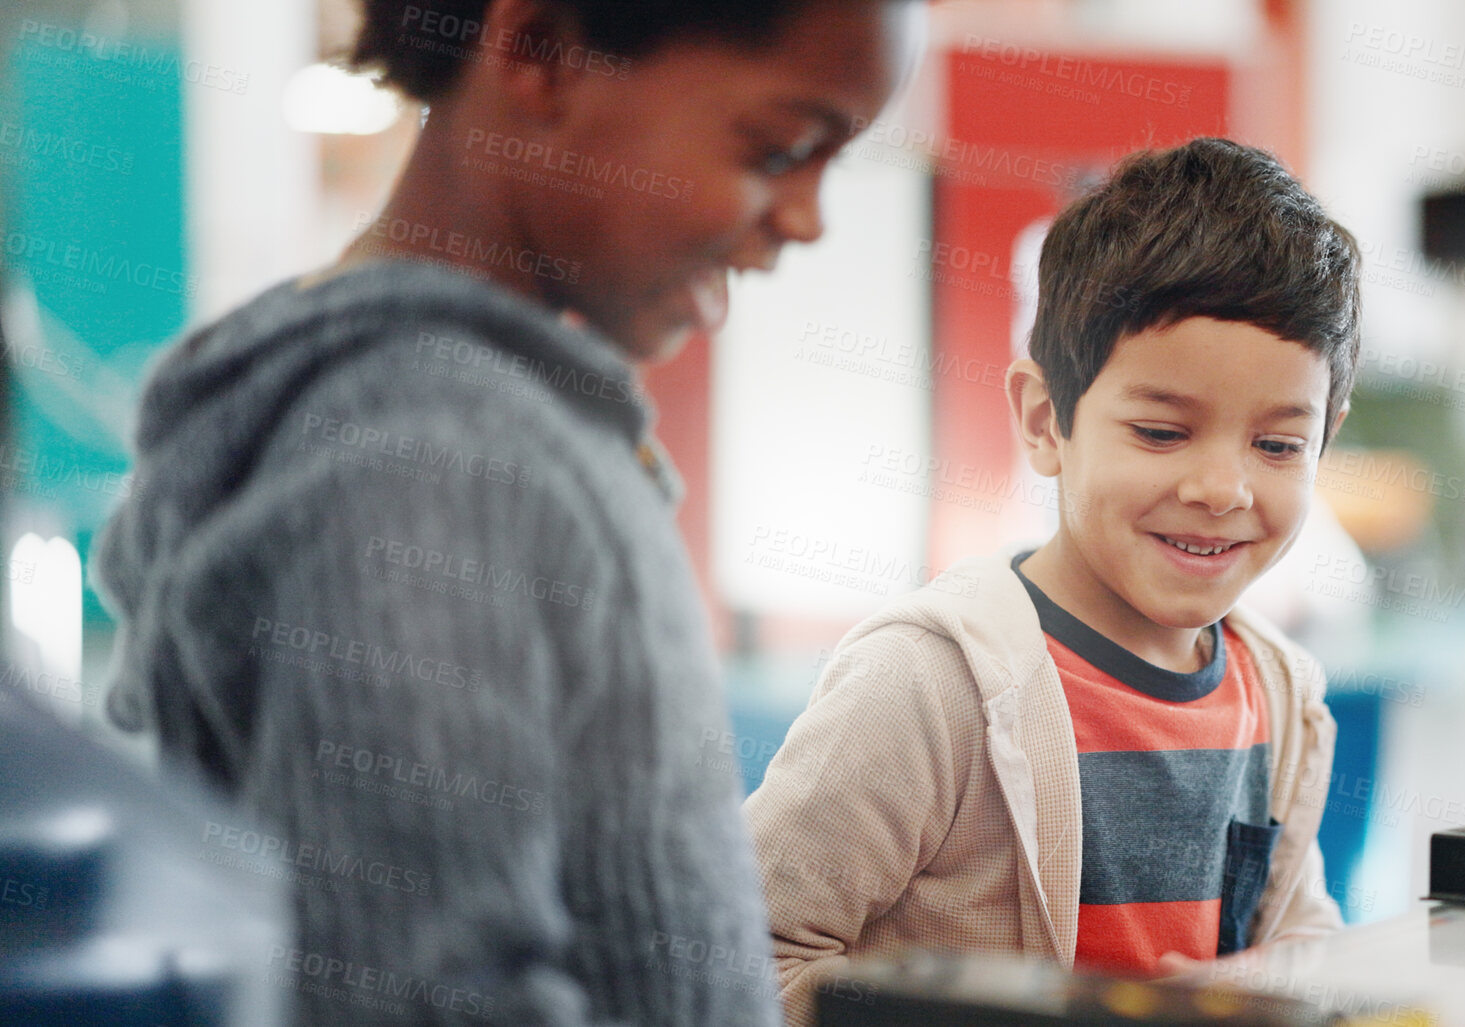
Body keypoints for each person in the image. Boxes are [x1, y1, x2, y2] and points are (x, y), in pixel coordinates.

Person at [92, 1, 919, 1024]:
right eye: (781, 146)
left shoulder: (456, 419)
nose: (807, 218)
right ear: (539, 49)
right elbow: (422, 996)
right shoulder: (436, 455)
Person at [747, 137, 1363, 1025]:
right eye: (1160, 432)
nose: (1221, 489)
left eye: (1276, 445)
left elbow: (1295, 951)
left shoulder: (1280, 695)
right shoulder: (927, 683)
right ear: (1045, 419)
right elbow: (739, 951)